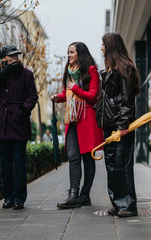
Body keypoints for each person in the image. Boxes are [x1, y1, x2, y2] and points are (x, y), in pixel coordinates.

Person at [0, 45, 38, 210]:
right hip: (2, 124)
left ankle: (19, 198)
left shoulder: (26, 74)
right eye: (11, 56)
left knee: (19, 163)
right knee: (5, 163)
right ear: (4, 59)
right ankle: (7, 197)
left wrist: (24, 109)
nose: (15, 58)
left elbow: (32, 95)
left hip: (19, 123)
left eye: (16, 55)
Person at [51, 42, 103, 209]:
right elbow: (68, 94)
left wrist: (75, 88)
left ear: (80, 53)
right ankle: (74, 195)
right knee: (73, 156)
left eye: (71, 52)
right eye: (68, 52)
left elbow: (93, 96)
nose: (68, 55)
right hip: (72, 119)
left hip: (87, 119)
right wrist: (58, 97)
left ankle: (85, 195)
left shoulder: (91, 70)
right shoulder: (69, 72)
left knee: (88, 157)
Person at [96, 32, 141, 218]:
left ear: (111, 46)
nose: (101, 48)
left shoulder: (125, 69)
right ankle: (117, 202)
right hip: (110, 125)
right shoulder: (110, 71)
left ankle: (128, 205)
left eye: (103, 44)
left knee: (122, 166)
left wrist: (123, 124)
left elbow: (126, 100)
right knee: (112, 166)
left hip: (121, 127)